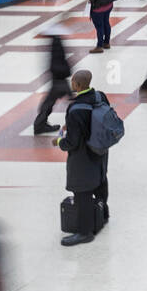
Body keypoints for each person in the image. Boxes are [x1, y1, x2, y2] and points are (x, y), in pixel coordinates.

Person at [54, 69, 110, 247]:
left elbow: (72, 142)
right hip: (100, 149)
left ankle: (85, 232)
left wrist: (59, 141)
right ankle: (103, 213)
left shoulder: (75, 109)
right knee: (100, 179)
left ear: (77, 85)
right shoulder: (100, 96)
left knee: (82, 190)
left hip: (82, 156)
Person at [33, 19, 72, 134]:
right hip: (59, 77)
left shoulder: (55, 41)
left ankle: (40, 124)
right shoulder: (57, 42)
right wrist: (66, 71)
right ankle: (39, 125)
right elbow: (58, 61)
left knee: (52, 101)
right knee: (53, 101)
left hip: (58, 77)